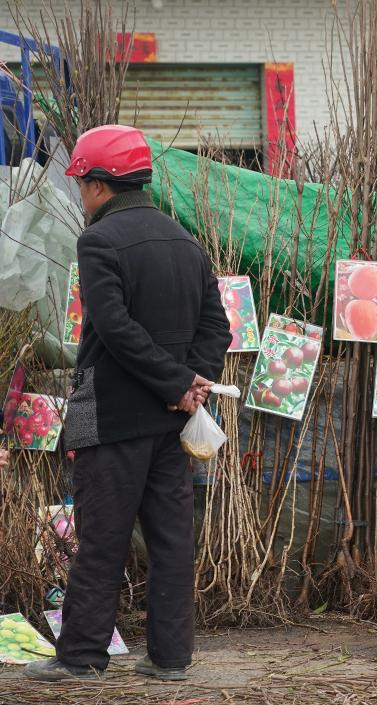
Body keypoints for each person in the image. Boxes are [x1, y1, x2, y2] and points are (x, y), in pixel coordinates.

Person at [25, 125, 231, 682]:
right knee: (170, 539)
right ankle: (170, 657)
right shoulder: (186, 241)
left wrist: (175, 382)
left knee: (101, 538)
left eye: (82, 184)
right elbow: (218, 327)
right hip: (172, 421)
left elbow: (113, 329)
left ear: (96, 184)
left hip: (107, 411)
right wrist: (190, 385)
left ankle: (81, 656)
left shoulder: (99, 241)